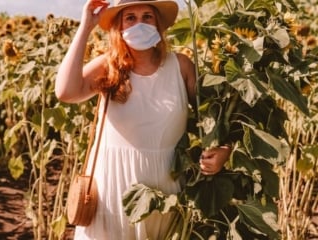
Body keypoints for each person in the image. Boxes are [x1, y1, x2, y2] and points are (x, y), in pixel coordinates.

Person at [55, 0, 232, 239]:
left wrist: (223, 150)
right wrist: (86, 26)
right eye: (130, 17)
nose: (140, 23)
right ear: (119, 26)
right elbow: (65, 91)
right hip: (112, 191)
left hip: (166, 195)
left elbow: (212, 115)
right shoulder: (109, 67)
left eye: (147, 16)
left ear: (158, 24)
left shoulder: (180, 66)